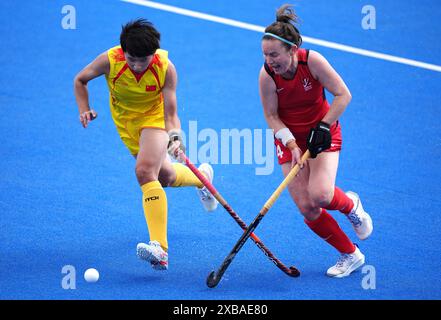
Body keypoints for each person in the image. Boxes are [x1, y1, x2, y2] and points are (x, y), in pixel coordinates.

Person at [73, 18, 218, 271]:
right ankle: (203, 178)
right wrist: (84, 108)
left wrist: (175, 137)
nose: (138, 66)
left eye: (144, 59)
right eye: (132, 59)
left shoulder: (165, 68)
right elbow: (81, 80)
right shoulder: (110, 60)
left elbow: (171, 112)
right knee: (165, 177)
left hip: (155, 119)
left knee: (144, 172)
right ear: (123, 52)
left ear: (154, 54)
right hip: (126, 124)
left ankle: (159, 249)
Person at [259, 5, 373, 278]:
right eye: (265, 54)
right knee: (308, 208)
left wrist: (323, 125)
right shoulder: (267, 75)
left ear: (291, 49)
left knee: (321, 194)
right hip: (290, 139)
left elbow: (343, 95)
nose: (269, 59)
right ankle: (350, 254)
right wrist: (291, 144)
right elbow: (272, 115)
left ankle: (351, 206)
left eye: (274, 54)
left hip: (322, 133)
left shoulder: (313, 62)